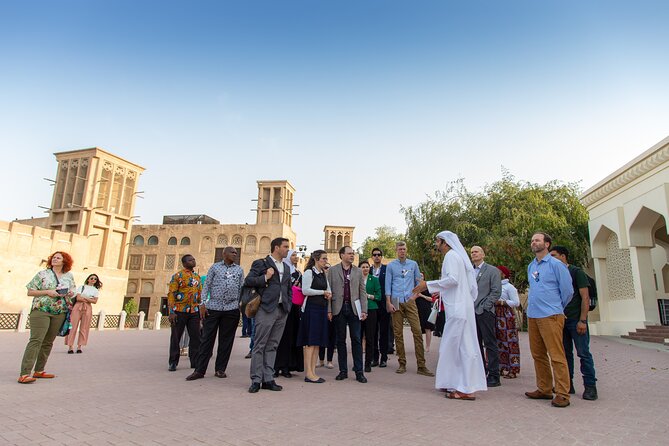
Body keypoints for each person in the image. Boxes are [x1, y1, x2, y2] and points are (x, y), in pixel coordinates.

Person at [413, 231, 487, 401]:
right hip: (459, 307)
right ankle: (455, 383)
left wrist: (428, 285)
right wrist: (439, 291)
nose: (436, 244)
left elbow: (452, 279)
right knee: (454, 347)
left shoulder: (451, 257)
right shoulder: (455, 256)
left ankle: (466, 389)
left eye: (437, 241)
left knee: (460, 347)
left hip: (458, 309)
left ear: (444, 242)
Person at [525, 233, 574, 408]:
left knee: (556, 355)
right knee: (538, 354)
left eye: (537, 240)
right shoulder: (531, 266)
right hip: (533, 314)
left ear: (547, 244)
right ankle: (544, 388)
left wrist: (556, 307)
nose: (533, 242)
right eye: (532, 240)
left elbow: (568, 291)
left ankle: (562, 393)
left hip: (551, 315)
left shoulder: (556, 265)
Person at [19, 251, 77, 383]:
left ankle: (39, 370)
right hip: (41, 309)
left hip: (60, 311)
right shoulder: (43, 274)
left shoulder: (69, 276)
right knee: (36, 340)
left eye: (58, 258)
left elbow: (73, 292)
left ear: (64, 261)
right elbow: (30, 291)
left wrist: (70, 292)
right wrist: (48, 292)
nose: (55, 259)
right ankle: (24, 373)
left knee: (48, 342)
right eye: (53, 257)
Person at [186, 247, 243, 381]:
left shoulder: (239, 270)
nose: (235, 254)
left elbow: (242, 287)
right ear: (224, 254)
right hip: (213, 307)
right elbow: (206, 286)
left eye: (236, 252)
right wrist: (202, 303)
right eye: (232, 252)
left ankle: (220, 369)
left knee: (226, 341)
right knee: (207, 340)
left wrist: (240, 305)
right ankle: (199, 370)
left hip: (231, 308)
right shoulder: (215, 268)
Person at [549, 245, 598, 401]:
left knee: (583, 353)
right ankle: (566, 384)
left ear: (563, 256)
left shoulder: (576, 272)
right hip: (560, 320)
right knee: (563, 354)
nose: (551, 258)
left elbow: (585, 297)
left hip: (575, 320)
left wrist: (582, 320)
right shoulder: (554, 273)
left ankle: (590, 387)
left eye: (554, 255)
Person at [245, 237, 293, 393]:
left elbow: (288, 288)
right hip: (266, 308)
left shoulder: (286, 267)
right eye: (285, 246)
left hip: (281, 310)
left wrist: (288, 304)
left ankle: (268, 378)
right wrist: (265, 277)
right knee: (259, 345)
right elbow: (249, 280)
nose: (288, 249)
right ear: (276, 248)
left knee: (272, 345)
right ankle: (256, 379)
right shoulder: (262, 263)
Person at [385, 241, 434, 377]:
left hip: (410, 301)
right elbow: (388, 285)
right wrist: (388, 302)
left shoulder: (413, 264)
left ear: (407, 250)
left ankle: (421, 365)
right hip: (396, 300)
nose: (402, 251)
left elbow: (419, 282)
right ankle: (402, 363)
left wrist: (415, 296)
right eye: (400, 249)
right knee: (398, 333)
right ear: (396, 250)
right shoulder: (391, 266)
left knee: (417, 331)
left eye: (404, 249)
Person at [327, 246, 368, 383]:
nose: (352, 255)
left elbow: (362, 291)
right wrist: (329, 310)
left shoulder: (357, 271)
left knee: (356, 339)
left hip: (354, 309)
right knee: (340, 341)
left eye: (353, 253)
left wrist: (364, 310)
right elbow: (329, 291)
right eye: (349, 253)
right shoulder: (332, 271)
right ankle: (343, 371)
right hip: (338, 308)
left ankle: (359, 371)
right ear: (342, 255)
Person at [297, 250, 332, 383]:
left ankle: (313, 371)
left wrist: (328, 293)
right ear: (316, 259)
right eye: (323, 258)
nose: (325, 261)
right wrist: (323, 292)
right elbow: (306, 290)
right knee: (310, 342)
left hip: (321, 309)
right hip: (311, 309)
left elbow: (328, 289)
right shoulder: (308, 272)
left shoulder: (323, 273)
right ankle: (308, 373)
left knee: (317, 342)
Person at [470, 246, 502, 387]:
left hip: (485, 312)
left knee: (489, 343)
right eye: (471, 252)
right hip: (470, 312)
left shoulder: (492, 271)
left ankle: (494, 375)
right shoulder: (468, 271)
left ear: (483, 254)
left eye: (476, 251)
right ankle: (480, 372)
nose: (474, 254)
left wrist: (485, 306)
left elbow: (496, 291)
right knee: (475, 344)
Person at [167, 254, 204, 372]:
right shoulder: (178, 276)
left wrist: (201, 309)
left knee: (196, 337)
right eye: (190, 260)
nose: (193, 261)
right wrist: (172, 311)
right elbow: (172, 293)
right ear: (184, 263)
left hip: (194, 311)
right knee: (176, 337)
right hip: (179, 310)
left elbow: (200, 294)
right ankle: (173, 362)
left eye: (193, 259)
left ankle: (195, 361)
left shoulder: (197, 277)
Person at [274, 249, 304, 378]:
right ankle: (275, 366)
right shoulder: (280, 271)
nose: (295, 257)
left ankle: (287, 366)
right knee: (277, 337)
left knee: (290, 336)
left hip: (293, 309)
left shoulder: (298, 274)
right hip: (280, 306)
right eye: (293, 255)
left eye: (296, 255)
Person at [66, 273, 101, 354]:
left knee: (84, 327)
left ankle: (79, 346)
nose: (93, 280)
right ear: (88, 279)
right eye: (91, 278)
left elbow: (95, 301)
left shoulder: (95, 290)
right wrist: (89, 298)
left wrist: (84, 297)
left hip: (87, 308)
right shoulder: (82, 287)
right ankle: (70, 346)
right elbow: (78, 298)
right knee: (72, 326)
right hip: (78, 307)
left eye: (95, 279)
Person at [496, 266, 520, 379]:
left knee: (510, 341)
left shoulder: (509, 287)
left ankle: (513, 368)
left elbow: (516, 302)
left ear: (504, 274)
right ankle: (500, 366)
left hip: (505, 315)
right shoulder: (495, 285)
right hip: (495, 314)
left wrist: (501, 302)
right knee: (498, 341)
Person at [359, 260, 382, 373]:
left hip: (372, 309)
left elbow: (379, 296)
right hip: (358, 310)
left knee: (370, 337)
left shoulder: (374, 280)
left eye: (367, 267)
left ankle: (368, 363)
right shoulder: (356, 279)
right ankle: (357, 363)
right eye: (363, 267)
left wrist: (368, 296)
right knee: (357, 337)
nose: (365, 269)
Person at [370, 247, 391, 367]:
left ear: (381, 256)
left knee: (384, 331)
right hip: (372, 304)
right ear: (372, 257)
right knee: (372, 331)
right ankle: (374, 357)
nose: (377, 256)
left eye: (379, 254)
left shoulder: (387, 269)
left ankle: (384, 357)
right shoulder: (369, 269)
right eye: (374, 255)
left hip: (384, 303)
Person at [317, 262, 335, 369]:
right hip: (321, 310)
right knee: (321, 335)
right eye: (324, 268)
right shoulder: (320, 280)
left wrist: (331, 311)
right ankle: (321, 360)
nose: (326, 269)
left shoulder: (333, 280)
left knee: (331, 336)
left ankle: (329, 360)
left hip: (332, 311)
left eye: (328, 268)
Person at [414, 284, 436, 353]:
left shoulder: (428, 288)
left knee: (427, 328)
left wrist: (422, 295)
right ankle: (419, 346)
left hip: (426, 310)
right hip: (417, 309)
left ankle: (427, 346)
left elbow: (432, 299)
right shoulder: (414, 287)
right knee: (417, 328)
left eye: (422, 276)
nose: (420, 277)